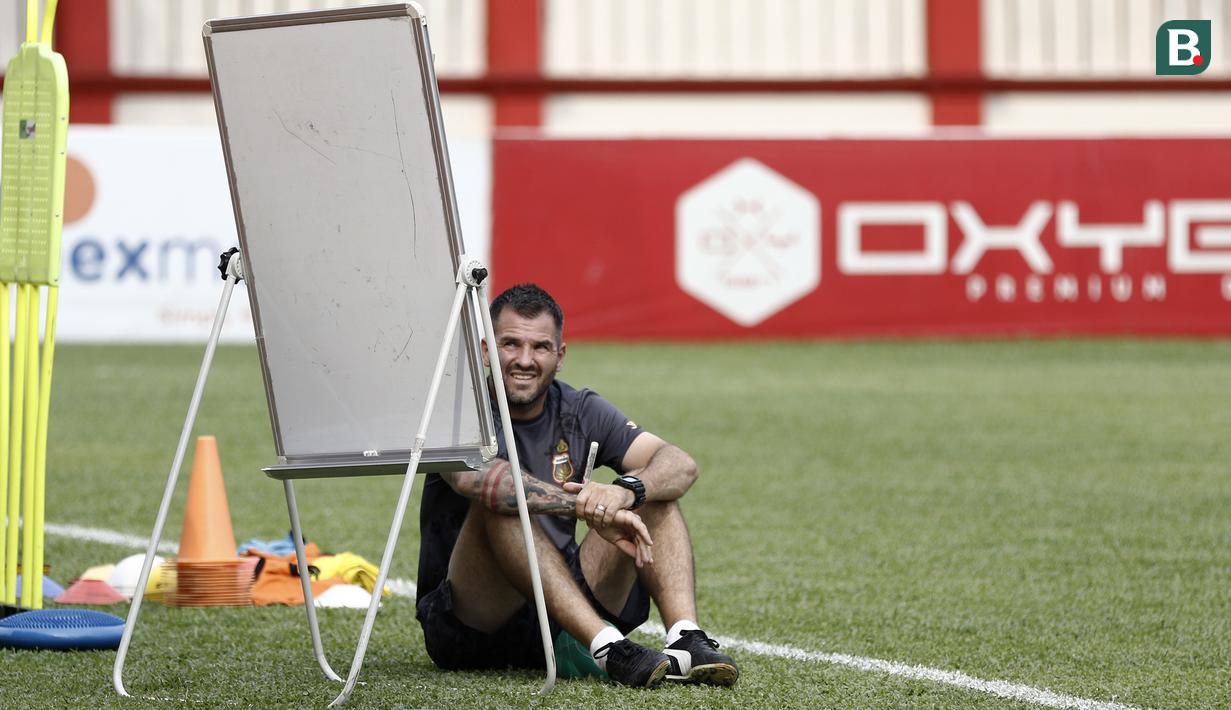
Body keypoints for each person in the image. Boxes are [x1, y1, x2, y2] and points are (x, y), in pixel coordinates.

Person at [415, 283, 738, 688]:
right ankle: (607, 648)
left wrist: (625, 492)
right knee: (500, 503)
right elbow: (475, 479)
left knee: (654, 494)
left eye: (541, 347)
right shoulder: (460, 408)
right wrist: (585, 505)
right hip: (471, 626)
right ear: (485, 350)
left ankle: (686, 637)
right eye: (510, 344)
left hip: (563, 616)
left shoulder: (580, 408)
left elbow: (680, 464)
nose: (524, 360)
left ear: (560, 355)